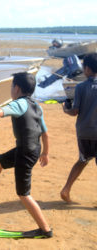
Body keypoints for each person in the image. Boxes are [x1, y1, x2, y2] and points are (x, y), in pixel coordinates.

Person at [0, 72, 52, 238]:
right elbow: (45, 133)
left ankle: (45, 229)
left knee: (23, 194)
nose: (11, 89)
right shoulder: (36, 106)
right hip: (33, 149)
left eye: (12, 86)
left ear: (17, 88)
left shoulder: (19, 103)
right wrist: (46, 153)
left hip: (25, 153)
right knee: (1, 160)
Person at [60, 52, 97, 203]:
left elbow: (74, 111)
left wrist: (65, 109)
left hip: (84, 132)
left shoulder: (81, 88)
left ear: (87, 69)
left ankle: (66, 188)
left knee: (82, 160)